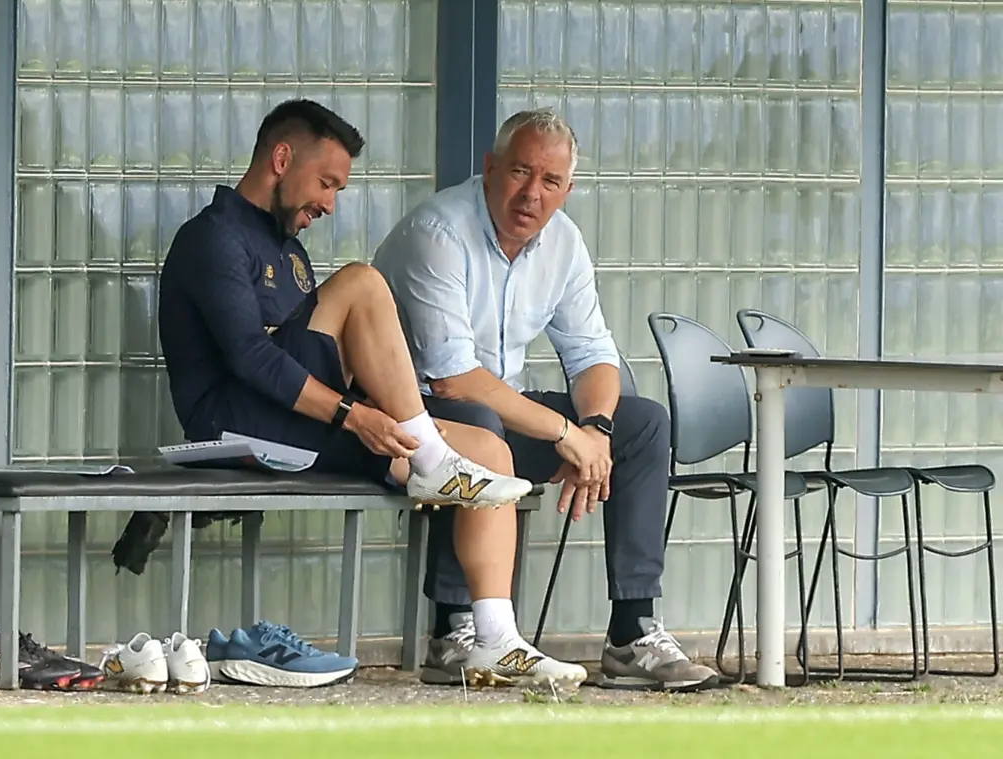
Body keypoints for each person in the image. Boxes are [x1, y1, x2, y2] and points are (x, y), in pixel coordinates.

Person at [156, 98, 586, 689]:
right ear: (281, 159)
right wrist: (355, 416)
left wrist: (368, 410)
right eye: (326, 183)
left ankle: (496, 640)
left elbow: (320, 360)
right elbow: (251, 358)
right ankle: (431, 457)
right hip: (234, 425)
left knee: (490, 449)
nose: (330, 204)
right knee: (362, 280)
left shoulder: (288, 248)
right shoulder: (212, 237)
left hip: (303, 421)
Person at [371, 108, 720, 693]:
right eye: (520, 172)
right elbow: (454, 379)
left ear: (567, 189)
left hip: (493, 407)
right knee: (481, 422)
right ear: (490, 168)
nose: (532, 193)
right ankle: (455, 632)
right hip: (413, 420)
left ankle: (632, 633)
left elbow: (593, 355)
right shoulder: (439, 230)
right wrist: (565, 435)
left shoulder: (563, 242)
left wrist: (597, 431)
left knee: (643, 424)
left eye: (550, 180)